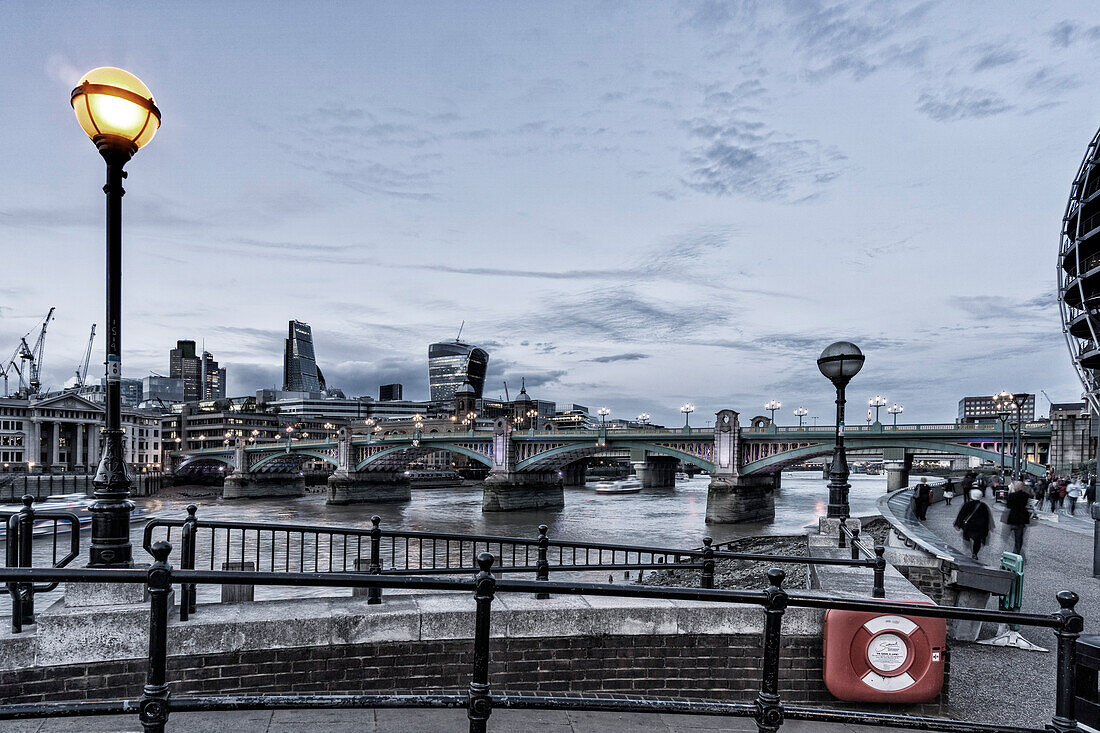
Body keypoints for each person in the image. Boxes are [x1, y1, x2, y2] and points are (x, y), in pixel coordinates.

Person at [955, 488, 994, 559]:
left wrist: (958, 524)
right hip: (979, 527)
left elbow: (961, 515)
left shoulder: (967, 505)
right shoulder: (983, 506)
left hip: (969, 526)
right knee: (977, 540)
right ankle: (975, 553)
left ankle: (969, 549)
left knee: (968, 538)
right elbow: (986, 518)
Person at [1004, 480, 1031, 559]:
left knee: (1014, 534)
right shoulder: (1025, 495)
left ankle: (1016, 551)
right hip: (1022, 517)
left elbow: (1008, 505)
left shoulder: (1011, 495)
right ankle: (1017, 550)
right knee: (1020, 535)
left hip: (1013, 516)